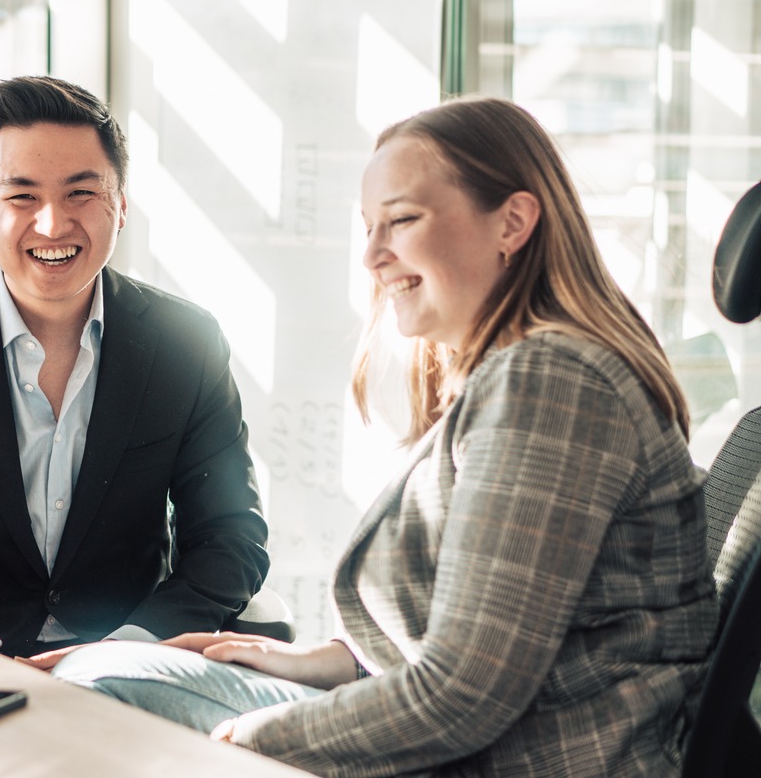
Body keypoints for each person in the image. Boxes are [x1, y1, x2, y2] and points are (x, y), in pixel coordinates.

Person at [41, 96, 718, 776]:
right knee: (105, 671)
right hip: (484, 744)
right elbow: (483, 639)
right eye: (368, 227)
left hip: (523, 760)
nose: (371, 255)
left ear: (512, 222)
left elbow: (464, 695)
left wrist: (251, 741)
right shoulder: (518, 378)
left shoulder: (551, 385)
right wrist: (318, 664)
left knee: (95, 690)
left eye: (401, 221)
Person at [0, 75, 270, 658]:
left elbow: (231, 536)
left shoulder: (186, 344)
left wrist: (127, 650)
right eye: (23, 197)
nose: (53, 225)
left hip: (129, 668)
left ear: (122, 204)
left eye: (81, 193)